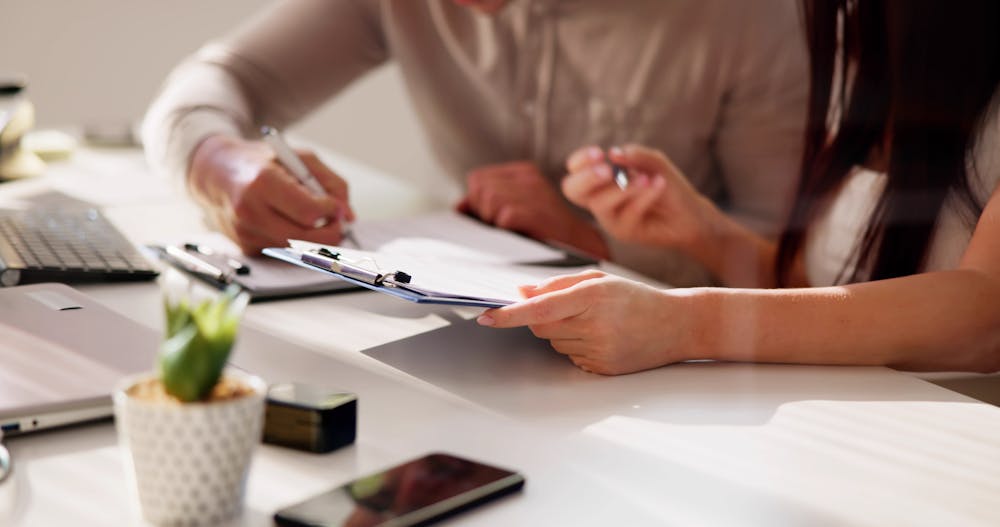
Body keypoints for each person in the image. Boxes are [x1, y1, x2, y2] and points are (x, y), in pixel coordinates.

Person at [476, 0, 1000, 375]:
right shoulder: (866, 41)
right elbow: (836, 285)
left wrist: (684, 323)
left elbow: (985, 316)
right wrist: (703, 229)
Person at [141, 0, 807, 286]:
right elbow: (215, 81)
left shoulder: (751, 17)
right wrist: (219, 166)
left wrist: (597, 240)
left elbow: (793, 263)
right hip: (464, 347)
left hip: (687, 378)